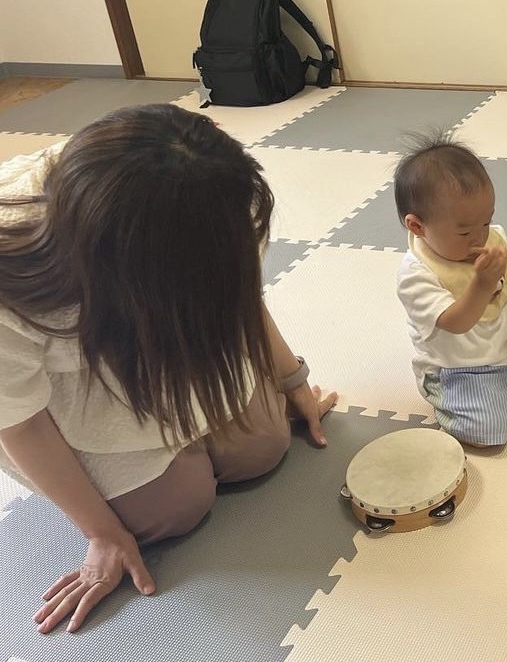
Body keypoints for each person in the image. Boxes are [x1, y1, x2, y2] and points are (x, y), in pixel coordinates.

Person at [0, 104, 338, 635]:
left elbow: (239, 297)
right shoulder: (15, 274)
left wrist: (291, 378)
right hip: (66, 392)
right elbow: (18, 420)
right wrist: (101, 533)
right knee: (175, 509)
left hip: (167, 345)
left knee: (264, 448)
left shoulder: (213, 191)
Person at [395, 132, 507, 447]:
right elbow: (456, 322)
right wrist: (482, 285)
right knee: (487, 435)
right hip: (464, 369)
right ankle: (451, 397)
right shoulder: (417, 274)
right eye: (465, 232)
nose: (480, 237)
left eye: (486, 222)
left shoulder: (492, 237)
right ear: (417, 226)